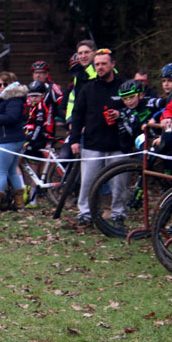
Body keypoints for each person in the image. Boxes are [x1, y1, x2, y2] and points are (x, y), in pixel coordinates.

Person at [69, 48, 128, 226]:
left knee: (120, 184)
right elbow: (77, 115)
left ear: (112, 64)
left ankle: (118, 214)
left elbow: (137, 109)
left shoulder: (124, 86)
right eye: (97, 65)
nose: (100, 67)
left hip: (119, 144)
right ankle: (85, 213)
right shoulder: (88, 88)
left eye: (103, 64)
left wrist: (121, 113)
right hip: (92, 144)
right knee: (87, 182)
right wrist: (74, 139)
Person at [0, 78, 28, 211]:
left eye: (5, 84)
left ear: (12, 85)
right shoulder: (11, 98)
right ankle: (19, 203)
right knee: (11, 171)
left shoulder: (12, 99)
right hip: (11, 138)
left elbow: (11, 118)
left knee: (1, 172)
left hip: (8, 140)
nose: (1, 87)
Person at [30, 60, 64, 136]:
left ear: (46, 74)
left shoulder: (53, 87)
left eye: (41, 72)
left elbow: (63, 105)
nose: (38, 75)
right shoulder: (30, 87)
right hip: (31, 128)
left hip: (47, 129)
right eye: (35, 73)